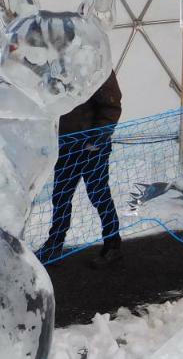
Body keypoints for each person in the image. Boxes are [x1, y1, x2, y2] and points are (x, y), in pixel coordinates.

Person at [37, 71, 123, 268]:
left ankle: (113, 245)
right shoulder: (58, 66)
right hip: (66, 145)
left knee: (98, 194)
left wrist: (97, 138)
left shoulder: (95, 64)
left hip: (92, 147)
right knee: (60, 196)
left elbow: (111, 105)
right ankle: (54, 245)